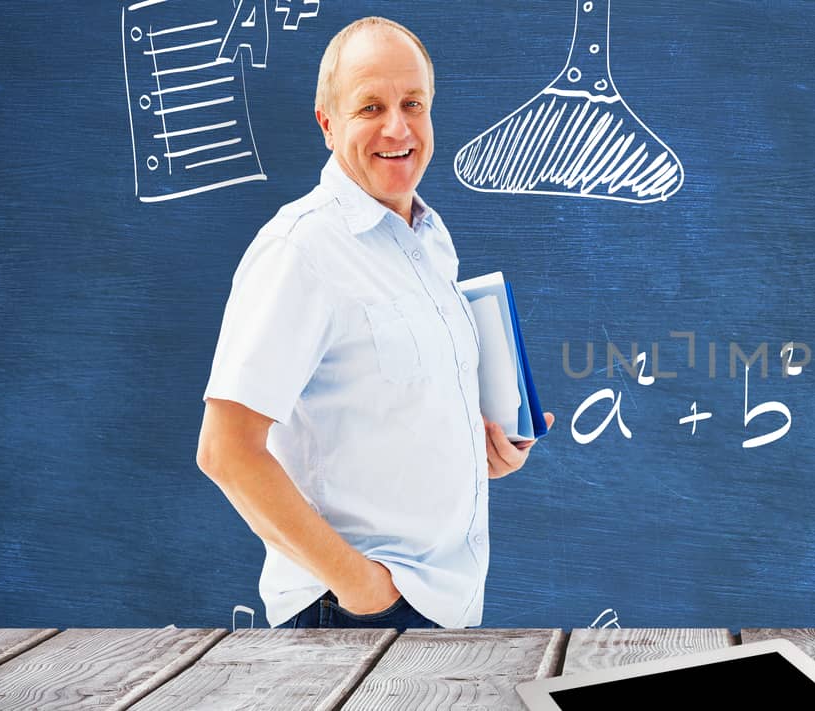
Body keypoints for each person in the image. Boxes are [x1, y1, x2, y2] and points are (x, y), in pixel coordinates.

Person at [196, 16, 553, 629]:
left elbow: (388, 413)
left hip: (445, 610)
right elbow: (226, 451)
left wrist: (483, 450)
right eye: (370, 107)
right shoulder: (300, 250)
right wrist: (364, 590)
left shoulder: (429, 242)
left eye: (413, 103)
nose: (398, 127)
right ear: (327, 123)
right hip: (356, 616)